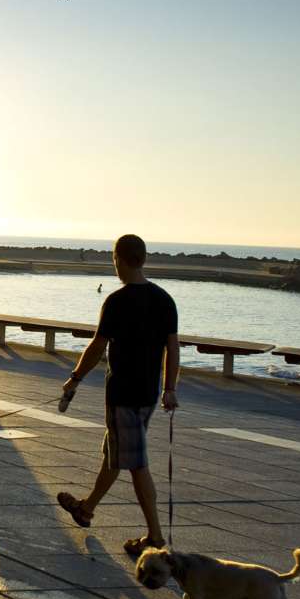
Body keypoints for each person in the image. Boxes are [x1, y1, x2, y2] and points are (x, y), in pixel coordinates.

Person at [56, 233, 179, 556]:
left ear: (119, 259)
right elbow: (172, 348)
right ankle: (86, 508)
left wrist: (74, 379)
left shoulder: (117, 301)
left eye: (114, 260)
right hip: (149, 393)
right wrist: (170, 388)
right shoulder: (165, 299)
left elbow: (97, 346)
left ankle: (155, 537)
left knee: (136, 463)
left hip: (123, 393)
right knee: (115, 451)